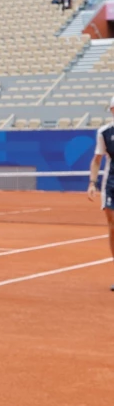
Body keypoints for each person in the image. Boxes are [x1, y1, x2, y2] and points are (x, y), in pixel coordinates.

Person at [87, 95, 114, 292]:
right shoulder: (104, 132)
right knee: (113, 226)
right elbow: (97, 160)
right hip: (111, 183)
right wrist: (92, 183)